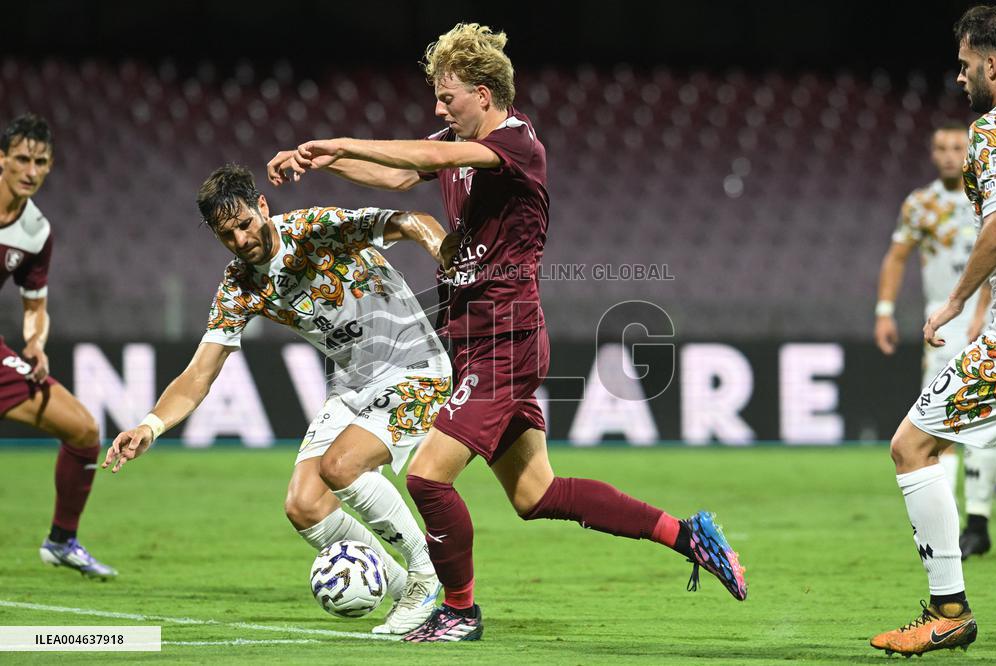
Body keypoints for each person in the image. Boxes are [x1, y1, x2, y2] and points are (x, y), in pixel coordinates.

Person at [268, 22, 746, 643]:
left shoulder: (518, 143)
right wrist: (328, 159)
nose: (438, 108)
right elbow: (399, 174)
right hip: (471, 340)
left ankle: (459, 612)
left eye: (448, 97)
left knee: (426, 477)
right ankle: (688, 535)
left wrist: (337, 138)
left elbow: (425, 156)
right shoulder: (456, 143)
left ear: (485, 95)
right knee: (536, 493)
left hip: (505, 338)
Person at [102, 164, 454, 634]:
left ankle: (425, 576)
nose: (241, 239)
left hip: (413, 369)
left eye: (245, 223)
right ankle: (401, 590)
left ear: (262, 206)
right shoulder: (238, 285)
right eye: (227, 234)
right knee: (305, 505)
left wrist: (443, 252)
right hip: (351, 384)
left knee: (340, 468)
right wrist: (150, 425)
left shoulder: (315, 231)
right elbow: (199, 373)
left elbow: (409, 222)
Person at [869, 5, 996, 656]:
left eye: (966, 64)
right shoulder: (921, 202)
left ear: (992, 64)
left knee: (911, 446)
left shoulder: (993, 130)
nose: (961, 77)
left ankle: (949, 609)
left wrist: (953, 302)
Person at [874, 123, 996, 559]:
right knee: (934, 432)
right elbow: (896, 257)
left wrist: (980, 308)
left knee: (983, 431)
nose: (949, 155)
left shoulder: (985, 194)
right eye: (941, 148)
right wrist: (884, 311)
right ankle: (943, 527)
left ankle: (978, 520)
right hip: (941, 331)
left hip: (985, 325)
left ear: (970, 149)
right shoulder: (921, 204)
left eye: (957, 147)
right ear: (932, 153)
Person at [0, 114, 116, 579]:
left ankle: (62, 541)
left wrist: (34, 342)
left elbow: (34, 305)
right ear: (2, 159)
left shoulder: (36, 232)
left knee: (84, 430)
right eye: (23, 159)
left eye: (41, 162)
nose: (31, 170)